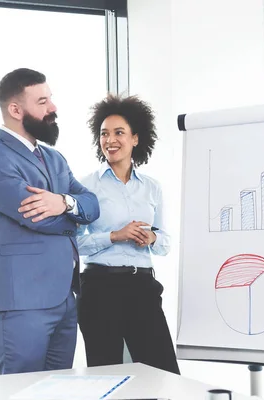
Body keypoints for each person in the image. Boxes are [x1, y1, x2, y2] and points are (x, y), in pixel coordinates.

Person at [0, 68, 100, 374]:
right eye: (42, 101)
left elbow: (93, 204)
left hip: (63, 300)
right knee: (20, 392)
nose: (53, 108)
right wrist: (75, 216)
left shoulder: (55, 159)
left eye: (51, 99)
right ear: (15, 110)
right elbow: (36, 219)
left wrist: (63, 202)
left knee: (58, 391)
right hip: (20, 303)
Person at [75, 94, 180, 374]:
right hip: (99, 289)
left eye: (119, 132)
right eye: (104, 134)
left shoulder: (151, 187)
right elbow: (73, 243)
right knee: (105, 375)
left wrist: (152, 238)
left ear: (135, 138)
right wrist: (114, 236)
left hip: (142, 288)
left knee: (163, 374)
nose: (110, 140)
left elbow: (165, 242)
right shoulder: (85, 187)